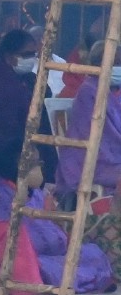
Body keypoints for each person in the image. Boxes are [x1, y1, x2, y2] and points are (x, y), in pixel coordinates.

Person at [0, 151, 115, 293]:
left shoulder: (35, 192)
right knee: (52, 269)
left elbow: (51, 225)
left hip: (51, 252)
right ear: (16, 165)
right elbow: (5, 238)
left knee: (93, 253)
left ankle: (90, 279)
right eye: (33, 164)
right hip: (25, 258)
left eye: (39, 162)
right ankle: (89, 281)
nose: (39, 167)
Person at [0, 29, 51, 180]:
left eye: (34, 54)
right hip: (1, 156)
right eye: (26, 55)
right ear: (9, 57)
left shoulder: (27, 79)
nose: (32, 59)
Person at [56, 62, 121, 195]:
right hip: (93, 162)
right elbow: (104, 135)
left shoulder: (112, 90)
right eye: (118, 64)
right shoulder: (89, 91)